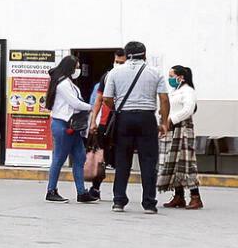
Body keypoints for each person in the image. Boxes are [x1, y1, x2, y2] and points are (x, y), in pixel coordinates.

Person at [103, 41, 170, 214]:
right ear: (144, 55)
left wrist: (118, 109)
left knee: (122, 160)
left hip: (124, 118)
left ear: (126, 55)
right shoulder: (155, 72)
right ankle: (149, 203)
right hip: (147, 118)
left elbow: (107, 99)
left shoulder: (115, 72)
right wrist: (163, 122)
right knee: (148, 161)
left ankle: (118, 201)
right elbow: (164, 99)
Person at [44, 56, 99, 203]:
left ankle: (82, 192)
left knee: (80, 157)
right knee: (59, 159)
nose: (78, 70)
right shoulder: (63, 84)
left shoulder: (68, 83)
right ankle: (51, 190)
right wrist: (92, 107)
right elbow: (75, 103)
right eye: (77, 67)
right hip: (63, 125)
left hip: (72, 126)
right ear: (70, 67)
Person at [157, 66, 203, 209]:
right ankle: (179, 196)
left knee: (186, 164)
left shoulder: (188, 91)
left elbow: (188, 110)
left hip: (182, 130)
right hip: (171, 130)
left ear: (181, 77)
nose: (169, 78)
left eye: (172, 75)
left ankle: (195, 197)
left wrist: (171, 119)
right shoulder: (174, 91)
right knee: (172, 163)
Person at [87, 49, 127, 199]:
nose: (118, 65)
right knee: (101, 157)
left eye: (121, 63)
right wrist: (93, 121)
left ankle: (119, 192)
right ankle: (95, 188)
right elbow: (98, 100)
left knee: (122, 158)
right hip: (105, 123)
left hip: (123, 123)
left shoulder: (131, 78)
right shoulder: (107, 77)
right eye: (117, 62)